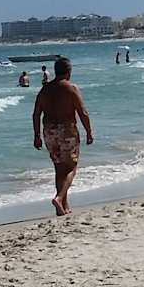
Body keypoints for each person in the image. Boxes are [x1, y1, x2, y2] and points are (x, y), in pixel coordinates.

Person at [32, 56, 94, 216]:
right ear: (69, 72)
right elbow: (83, 112)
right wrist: (89, 132)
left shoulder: (45, 89)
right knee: (71, 167)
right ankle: (59, 198)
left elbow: (36, 114)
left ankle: (63, 206)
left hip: (49, 131)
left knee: (59, 168)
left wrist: (37, 135)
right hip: (66, 130)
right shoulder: (71, 88)